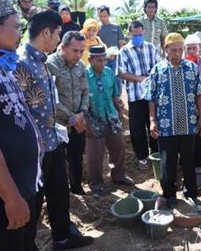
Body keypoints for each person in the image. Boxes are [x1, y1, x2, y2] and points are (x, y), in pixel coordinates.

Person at [14, 10, 93, 251]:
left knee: (59, 193)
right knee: (35, 203)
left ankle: (62, 235)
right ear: (47, 32)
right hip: (34, 149)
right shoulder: (21, 64)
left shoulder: (40, 62)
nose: (58, 39)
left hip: (52, 141)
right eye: (58, 34)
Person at [0, 0, 42, 251]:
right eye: (16, 26)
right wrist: (11, 197)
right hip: (0, 197)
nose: (20, 33)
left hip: (19, 188)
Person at [147, 33, 201, 209]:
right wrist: (152, 120)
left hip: (189, 123)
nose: (178, 53)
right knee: (168, 162)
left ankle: (191, 193)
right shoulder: (158, 70)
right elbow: (151, 97)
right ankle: (169, 194)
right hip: (166, 125)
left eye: (181, 49)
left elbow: (199, 94)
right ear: (166, 50)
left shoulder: (192, 68)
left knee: (189, 160)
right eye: (174, 50)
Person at [85, 45, 133, 196]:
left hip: (111, 117)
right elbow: (81, 101)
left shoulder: (109, 72)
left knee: (119, 148)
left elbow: (115, 95)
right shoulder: (84, 75)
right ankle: (96, 184)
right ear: (90, 60)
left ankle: (119, 176)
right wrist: (87, 123)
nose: (102, 63)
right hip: (93, 119)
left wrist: (119, 113)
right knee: (95, 155)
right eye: (98, 61)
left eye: (104, 60)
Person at [47, 31, 89, 195]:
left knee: (76, 159)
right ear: (63, 47)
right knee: (57, 163)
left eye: (81, 51)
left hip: (78, 124)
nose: (79, 55)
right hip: (58, 125)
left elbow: (86, 91)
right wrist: (72, 116)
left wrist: (82, 113)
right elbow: (51, 99)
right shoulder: (50, 65)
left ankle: (76, 189)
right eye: (74, 51)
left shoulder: (80, 66)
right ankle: (60, 194)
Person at [117, 21, 160, 170]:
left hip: (152, 96)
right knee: (137, 129)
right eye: (135, 35)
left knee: (154, 124)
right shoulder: (124, 52)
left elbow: (159, 67)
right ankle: (142, 157)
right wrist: (139, 79)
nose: (138, 37)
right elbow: (121, 73)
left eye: (140, 34)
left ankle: (156, 154)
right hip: (135, 96)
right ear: (130, 34)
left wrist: (151, 78)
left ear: (143, 33)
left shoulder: (151, 48)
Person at [184, 33, 201, 189]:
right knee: (185, 137)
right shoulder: (180, 63)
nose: (191, 51)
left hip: (200, 108)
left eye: (194, 48)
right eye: (188, 48)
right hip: (184, 109)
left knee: (200, 136)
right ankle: (186, 165)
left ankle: (199, 165)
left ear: (200, 49)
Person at [97, 5, 125, 94]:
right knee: (104, 80)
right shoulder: (97, 28)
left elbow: (121, 43)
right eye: (100, 16)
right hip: (102, 59)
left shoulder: (116, 27)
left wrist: (121, 56)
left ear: (108, 15)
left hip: (115, 59)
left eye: (104, 16)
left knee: (116, 79)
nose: (102, 18)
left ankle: (118, 99)